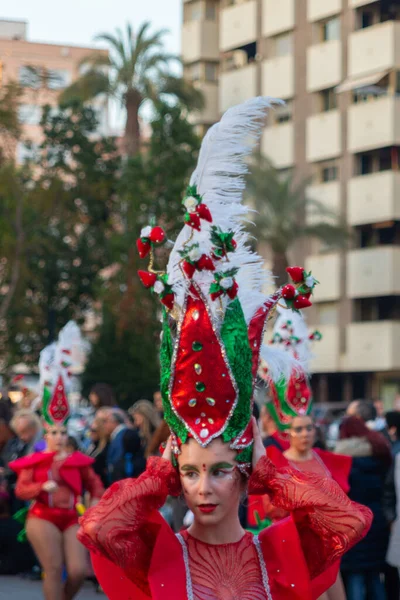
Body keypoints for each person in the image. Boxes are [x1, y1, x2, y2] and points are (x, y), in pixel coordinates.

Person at [77, 98, 371, 600]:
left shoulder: (277, 551)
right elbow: (98, 528)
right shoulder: (160, 552)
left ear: (242, 472)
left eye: (218, 472)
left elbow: (345, 522)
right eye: (190, 472)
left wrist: (266, 469)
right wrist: (161, 473)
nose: (202, 489)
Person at [9, 331, 105, 600]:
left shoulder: (78, 461)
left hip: (72, 517)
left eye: (63, 432)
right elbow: (21, 489)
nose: (59, 437)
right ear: (46, 434)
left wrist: (95, 504)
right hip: (42, 517)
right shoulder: (36, 460)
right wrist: (41, 486)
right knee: (52, 569)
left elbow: (95, 485)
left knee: (76, 571)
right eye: (54, 433)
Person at [264, 414, 352, 600]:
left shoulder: (323, 459)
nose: (305, 434)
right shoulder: (278, 464)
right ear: (288, 434)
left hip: (327, 548)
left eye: (309, 428)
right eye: (298, 429)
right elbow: (271, 509)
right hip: (296, 548)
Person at [335, 415, 392, 600]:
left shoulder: (342, 460)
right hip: (378, 521)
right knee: (375, 576)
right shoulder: (380, 453)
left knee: (355, 577)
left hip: (353, 524)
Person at [103, 408, 146, 484]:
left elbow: (118, 457)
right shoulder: (120, 434)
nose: (104, 425)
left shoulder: (122, 435)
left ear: (114, 421)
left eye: (106, 421)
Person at [87, 408, 109, 488]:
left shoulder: (105, 447)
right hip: (92, 484)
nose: (91, 433)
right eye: (90, 430)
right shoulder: (92, 446)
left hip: (102, 485)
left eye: (93, 430)